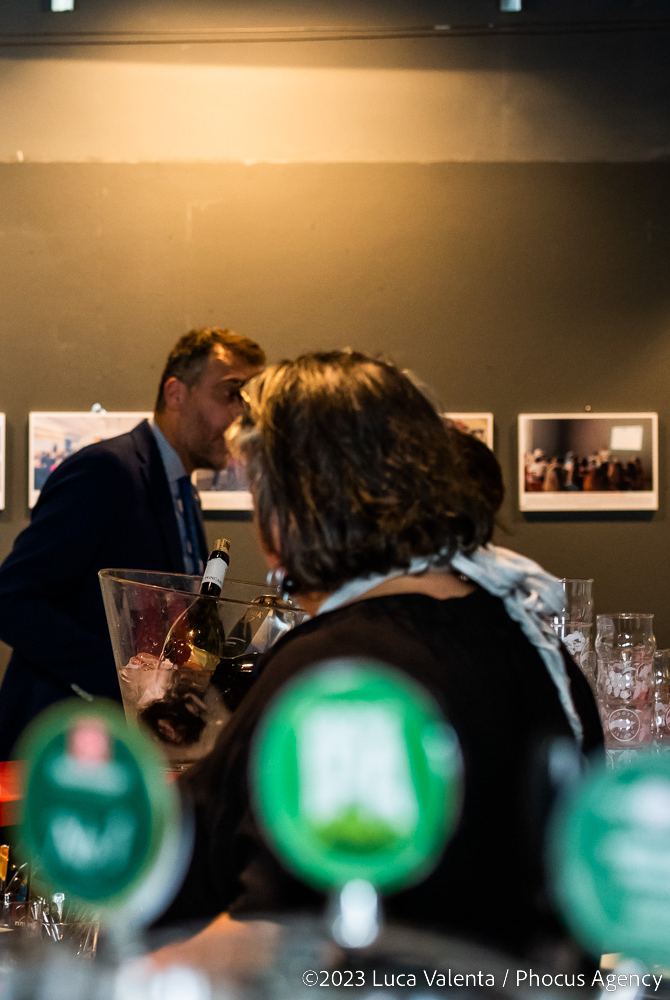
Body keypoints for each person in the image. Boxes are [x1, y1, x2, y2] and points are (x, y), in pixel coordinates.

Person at [163, 351, 603, 959]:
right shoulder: (533, 645)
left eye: (260, 492)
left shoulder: (336, 670)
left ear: (300, 503)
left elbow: (282, 936)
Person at [0, 328, 265, 762]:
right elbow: (8, 602)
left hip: (123, 753)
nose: (242, 414)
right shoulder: (106, 470)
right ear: (175, 393)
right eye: (230, 394)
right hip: (60, 752)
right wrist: (130, 683)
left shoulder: (183, 493)